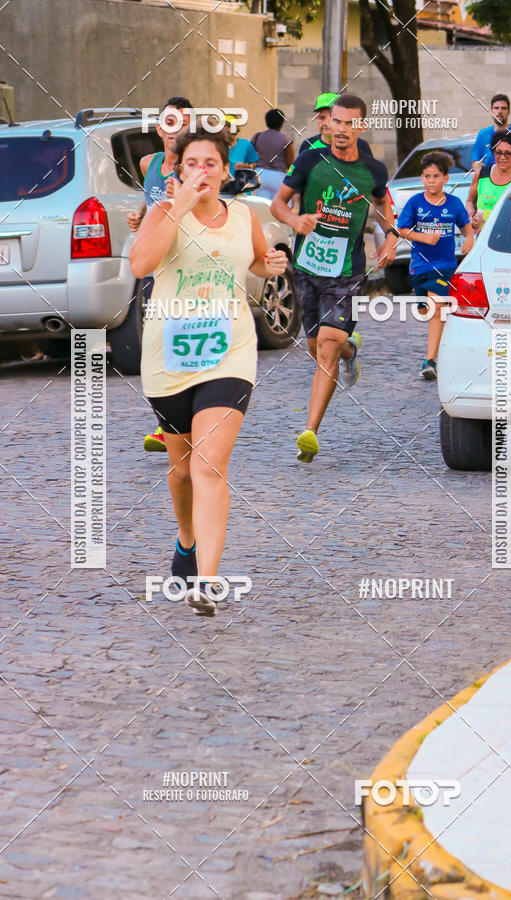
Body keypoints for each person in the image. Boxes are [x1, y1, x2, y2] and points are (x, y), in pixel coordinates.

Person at [129, 127, 287, 616]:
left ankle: (206, 580)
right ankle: (186, 536)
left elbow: (258, 262)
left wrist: (272, 263)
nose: (201, 171)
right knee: (180, 471)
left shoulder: (242, 216)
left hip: (229, 353)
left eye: (210, 163)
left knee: (208, 465)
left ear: (224, 170)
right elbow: (140, 265)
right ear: (179, 172)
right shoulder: (162, 214)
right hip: (169, 359)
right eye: (192, 163)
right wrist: (176, 207)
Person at [271, 93, 398, 463]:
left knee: (326, 347)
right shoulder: (311, 159)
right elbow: (279, 202)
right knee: (317, 348)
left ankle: (309, 432)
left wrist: (390, 237)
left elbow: (384, 208)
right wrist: (296, 221)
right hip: (308, 269)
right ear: (329, 124)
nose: (340, 129)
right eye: (335, 122)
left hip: (347, 271)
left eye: (349, 123)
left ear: (361, 125)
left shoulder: (373, 170)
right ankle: (350, 349)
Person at [127, 96, 193, 453]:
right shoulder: (148, 162)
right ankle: (170, 423)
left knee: (178, 341)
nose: (175, 131)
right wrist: (139, 216)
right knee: (157, 345)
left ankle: (180, 422)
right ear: (158, 128)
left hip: (184, 265)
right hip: (155, 264)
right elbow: (148, 200)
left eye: (182, 124)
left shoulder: (192, 169)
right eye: (169, 123)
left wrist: (182, 198)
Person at [397, 151, 474, 381]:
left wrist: (469, 239)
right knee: (426, 311)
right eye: (427, 176)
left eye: (436, 176)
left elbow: (466, 228)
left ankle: (430, 360)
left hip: (444, 266)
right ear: (422, 178)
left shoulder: (454, 204)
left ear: (446, 178)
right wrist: (424, 237)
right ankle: (445, 334)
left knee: (436, 307)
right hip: (419, 267)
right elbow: (402, 230)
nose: (431, 180)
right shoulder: (415, 203)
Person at [466, 130, 511, 232]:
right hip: (483, 239)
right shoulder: (481, 175)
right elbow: (469, 201)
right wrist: (472, 216)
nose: (502, 157)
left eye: (508, 153)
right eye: (498, 152)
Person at [298, 92, 373, 157]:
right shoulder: (308, 145)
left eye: (332, 118)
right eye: (322, 117)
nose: (326, 123)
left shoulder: (360, 145)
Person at [250, 108, 295, 199]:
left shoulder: (258, 136)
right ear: (281, 122)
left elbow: (251, 156)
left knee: (263, 208)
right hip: (278, 177)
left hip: (260, 175)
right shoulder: (286, 140)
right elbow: (290, 163)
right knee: (281, 207)